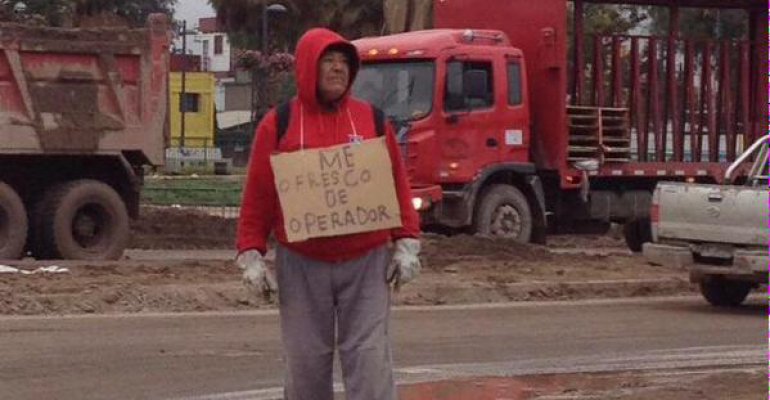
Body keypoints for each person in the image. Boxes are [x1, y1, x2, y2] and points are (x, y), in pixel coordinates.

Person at [235, 28, 421, 400]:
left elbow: (397, 184)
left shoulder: (371, 120)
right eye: (328, 61)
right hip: (302, 263)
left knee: (369, 360)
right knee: (305, 361)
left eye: (343, 63)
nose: (337, 69)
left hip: (366, 260)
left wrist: (407, 241)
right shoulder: (280, 123)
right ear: (307, 67)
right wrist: (250, 251)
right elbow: (259, 192)